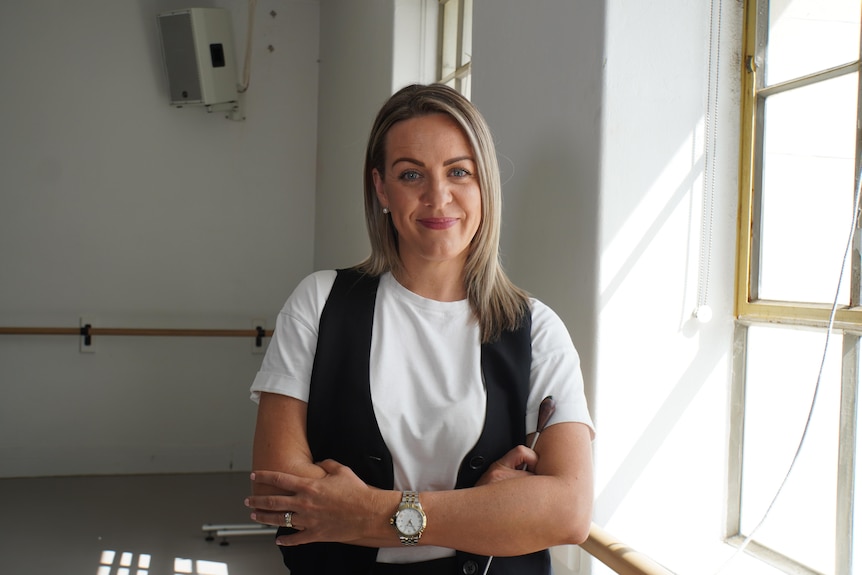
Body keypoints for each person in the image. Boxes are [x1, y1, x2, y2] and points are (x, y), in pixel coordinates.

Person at [245, 83, 595, 575]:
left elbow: (569, 512)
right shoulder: (320, 303)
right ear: (382, 189)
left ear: (484, 186)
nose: (438, 196)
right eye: (412, 174)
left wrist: (363, 512)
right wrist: (483, 512)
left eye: (459, 172)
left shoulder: (537, 329)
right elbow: (278, 497)